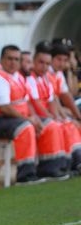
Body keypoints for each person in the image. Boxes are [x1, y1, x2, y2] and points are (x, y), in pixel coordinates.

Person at [0, 44, 65, 184]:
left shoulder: (17, 76)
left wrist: (35, 118)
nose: (13, 62)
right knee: (25, 128)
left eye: (17, 59)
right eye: (9, 59)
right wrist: (29, 120)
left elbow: (26, 102)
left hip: (12, 119)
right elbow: (5, 107)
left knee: (50, 125)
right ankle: (25, 175)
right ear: (1, 60)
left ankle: (50, 168)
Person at [25, 42, 79, 176]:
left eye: (47, 64)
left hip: (44, 115)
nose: (44, 67)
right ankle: (50, 167)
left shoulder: (46, 78)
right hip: (33, 116)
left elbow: (53, 101)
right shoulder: (30, 78)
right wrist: (53, 118)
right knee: (55, 126)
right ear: (34, 61)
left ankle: (72, 163)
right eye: (41, 63)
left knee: (67, 124)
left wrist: (58, 117)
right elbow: (35, 103)